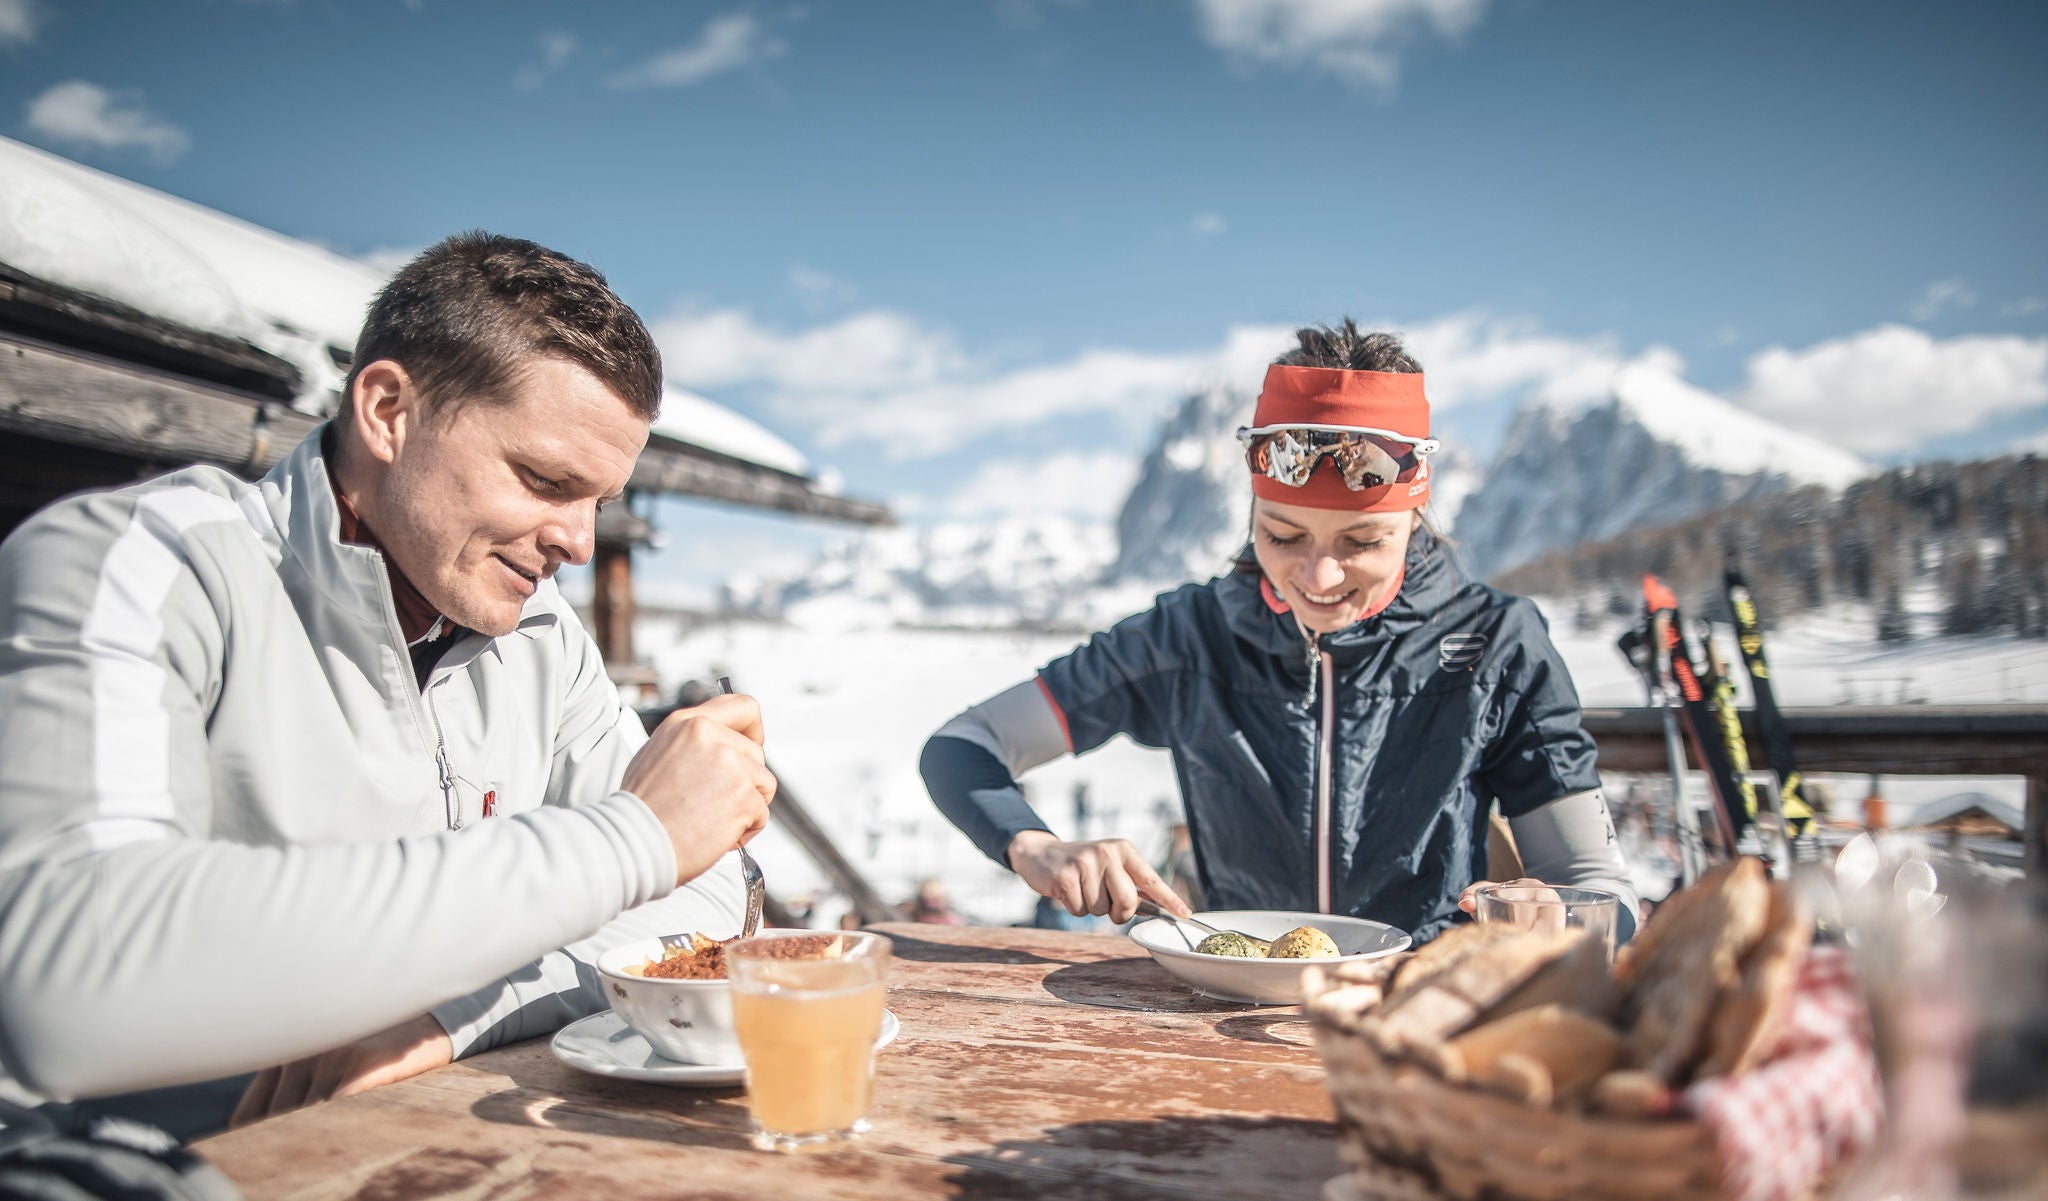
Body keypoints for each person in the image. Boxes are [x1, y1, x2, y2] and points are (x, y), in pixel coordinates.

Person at [0, 233, 777, 1134]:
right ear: (386, 410)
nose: (577, 542)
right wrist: (628, 839)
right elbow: (68, 981)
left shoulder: (543, 636)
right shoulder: (145, 562)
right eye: (543, 479)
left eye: (596, 503)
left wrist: (451, 1017)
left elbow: (704, 898)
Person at [919, 320, 1637, 944]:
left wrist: (1562, 915)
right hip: (1233, 1003)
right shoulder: (1189, 636)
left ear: (1415, 517)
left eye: (1362, 541)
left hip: (1422, 1009)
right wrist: (1034, 846)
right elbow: (964, 745)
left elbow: (1599, 886)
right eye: (1284, 535)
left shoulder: (1498, 645)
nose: (1319, 577)